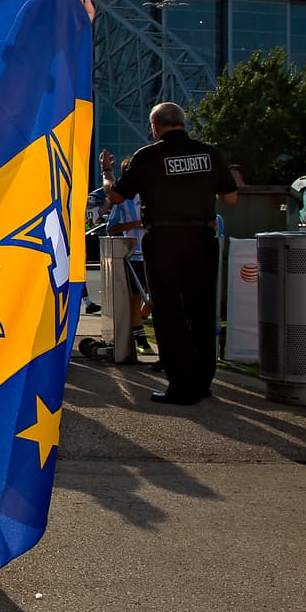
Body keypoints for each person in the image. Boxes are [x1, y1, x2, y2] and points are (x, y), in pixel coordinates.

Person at [101, 101, 238, 404]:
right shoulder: (209, 154)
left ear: (155, 127)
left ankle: (180, 386)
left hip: (164, 239)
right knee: (201, 310)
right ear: (183, 123)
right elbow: (230, 198)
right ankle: (202, 382)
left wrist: (107, 172)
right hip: (202, 237)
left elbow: (116, 195)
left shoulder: (148, 156)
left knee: (168, 312)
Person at [105, 158, 152, 356]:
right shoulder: (125, 200)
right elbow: (111, 227)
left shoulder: (154, 193)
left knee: (156, 297)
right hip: (135, 255)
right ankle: (140, 337)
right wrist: (134, 224)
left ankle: (139, 322)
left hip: (157, 252)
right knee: (135, 297)